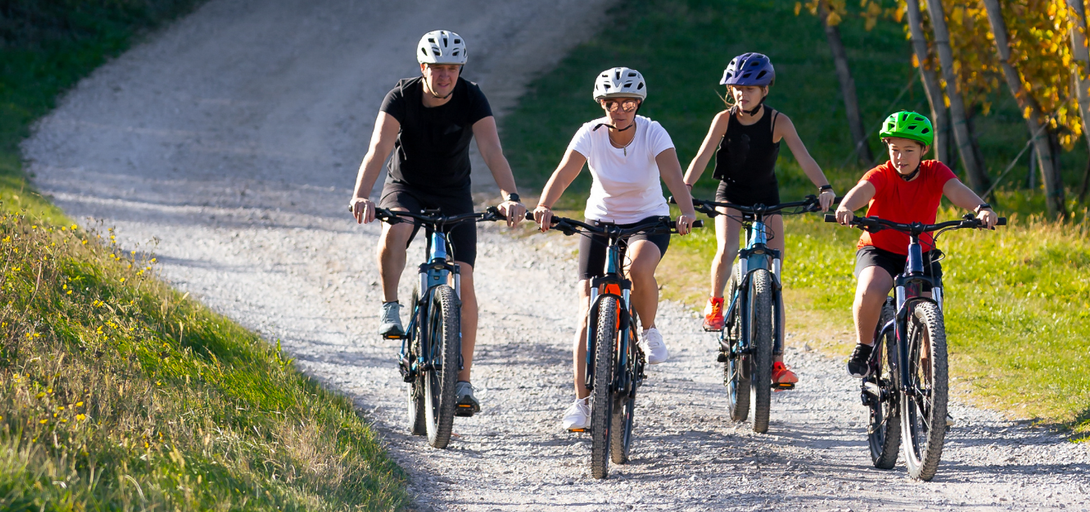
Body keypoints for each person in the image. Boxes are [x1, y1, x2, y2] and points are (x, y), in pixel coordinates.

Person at [349, 30, 527, 416]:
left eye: (452, 68)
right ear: (422, 68)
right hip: (406, 186)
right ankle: (390, 306)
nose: (445, 75)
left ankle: (462, 382)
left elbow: (491, 149)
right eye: (437, 68)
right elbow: (378, 148)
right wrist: (362, 194)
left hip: (452, 193)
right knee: (395, 229)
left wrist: (510, 196)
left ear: (460, 69)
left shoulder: (471, 96)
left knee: (463, 278)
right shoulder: (401, 96)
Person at [531, 67, 697, 432]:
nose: (619, 109)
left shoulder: (653, 132)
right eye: (611, 103)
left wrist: (686, 211)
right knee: (586, 309)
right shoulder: (590, 134)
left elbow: (673, 174)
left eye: (626, 102)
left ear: (637, 104)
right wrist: (545, 205)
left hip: (647, 220)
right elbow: (564, 173)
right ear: (602, 104)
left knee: (638, 270)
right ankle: (582, 402)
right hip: (600, 223)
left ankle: (649, 330)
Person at [683, 52, 834, 388]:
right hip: (731, 196)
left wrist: (823, 187)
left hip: (767, 199)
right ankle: (716, 302)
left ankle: (777, 361)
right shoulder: (723, 119)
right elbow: (702, 154)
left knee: (774, 274)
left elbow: (804, 156)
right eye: (737, 87)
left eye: (750, 87)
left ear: (766, 89)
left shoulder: (779, 121)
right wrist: (685, 190)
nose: (742, 93)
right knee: (727, 247)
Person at [832, 111, 995, 377]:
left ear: (924, 149)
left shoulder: (935, 171)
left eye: (909, 150)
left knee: (930, 314)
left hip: (921, 252)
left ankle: (933, 389)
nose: (900, 157)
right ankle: (864, 346)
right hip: (879, 249)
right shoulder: (882, 174)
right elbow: (863, 189)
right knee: (871, 288)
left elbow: (955, 189)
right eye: (895, 149)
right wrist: (847, 207)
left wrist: (982, 207)